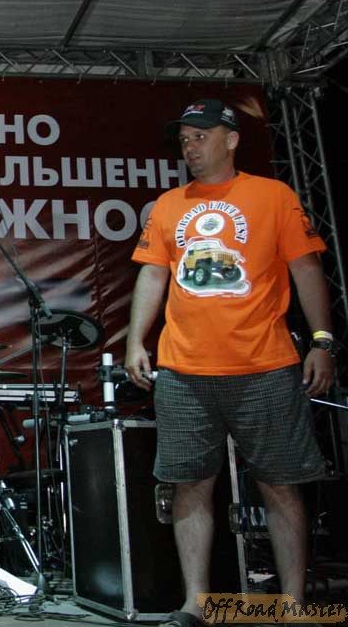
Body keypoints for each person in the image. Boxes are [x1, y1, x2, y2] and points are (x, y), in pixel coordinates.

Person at [126, 98, 335, 626]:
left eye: (200, 137)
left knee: (279, 483)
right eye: (184, 140)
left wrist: (322, 340)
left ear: (232, 139)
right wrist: (135, 341)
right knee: (189, 483)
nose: (190, 147)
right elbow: (153, 274)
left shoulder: (273, 196)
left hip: (265, 365)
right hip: (183, 370)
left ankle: (292, 604)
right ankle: (196, 602)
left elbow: (306, 269)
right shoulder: (168, 205)